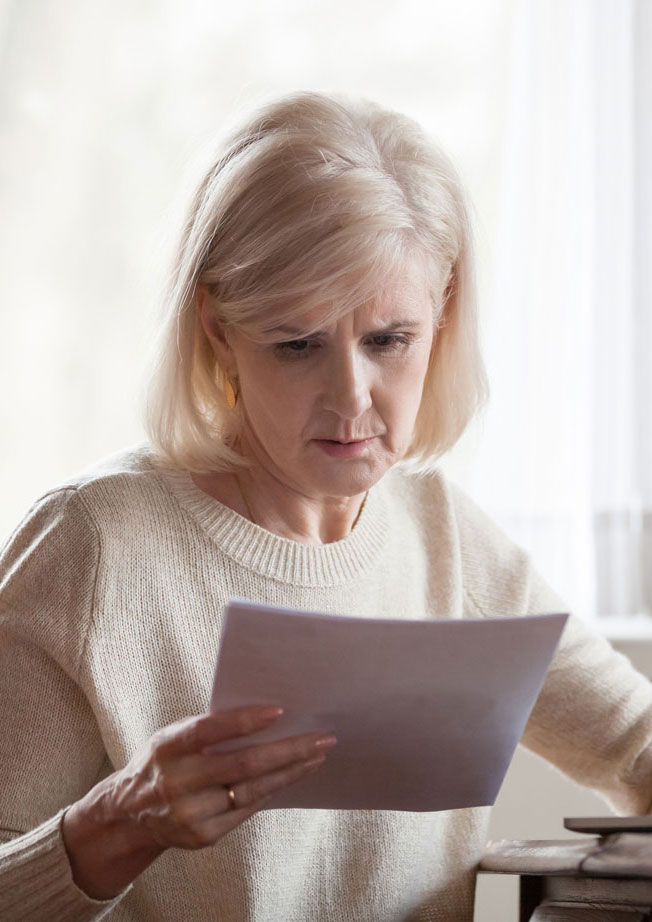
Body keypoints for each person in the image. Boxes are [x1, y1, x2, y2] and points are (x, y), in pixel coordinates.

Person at [1, 90, 652, 922]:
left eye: (389, 340)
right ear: (216, 328)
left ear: (442, 317)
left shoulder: (445, 536)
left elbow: (638, 745)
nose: (353, 400)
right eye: (297, 344)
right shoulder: (94, 546)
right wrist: (116, 826)